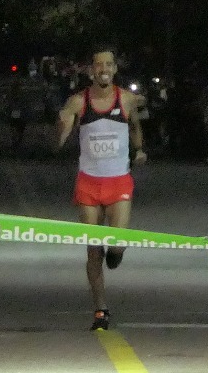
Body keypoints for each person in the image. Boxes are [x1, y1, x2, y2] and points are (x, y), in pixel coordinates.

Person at [57, 47, 146, 330]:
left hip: (118, 181)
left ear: (115, 69)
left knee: (116, 244)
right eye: (98, 65)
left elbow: (134, 126)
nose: (103, 69)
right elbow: (60, 138)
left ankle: (116, 253)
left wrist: (139, 149)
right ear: (91, 71)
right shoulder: (78, 101)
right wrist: (61, 126)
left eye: (108, 64)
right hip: (89, 183)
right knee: (93, 250)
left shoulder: (126, 99)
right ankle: (100, 309)